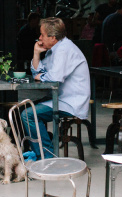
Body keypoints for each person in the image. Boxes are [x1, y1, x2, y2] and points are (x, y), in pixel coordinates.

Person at [23, 17, 91, 159]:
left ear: (53, 37)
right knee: (25, 108)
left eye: (42, 35)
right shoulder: (55, 49)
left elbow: (54, 77)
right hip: (59, 98)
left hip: (71, 102)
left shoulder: (64, 49)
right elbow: (38, 72)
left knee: (28, 114)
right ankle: (39, 152)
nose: (39, 38)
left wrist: (41, 76)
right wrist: (36, 53)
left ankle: (47, 157)